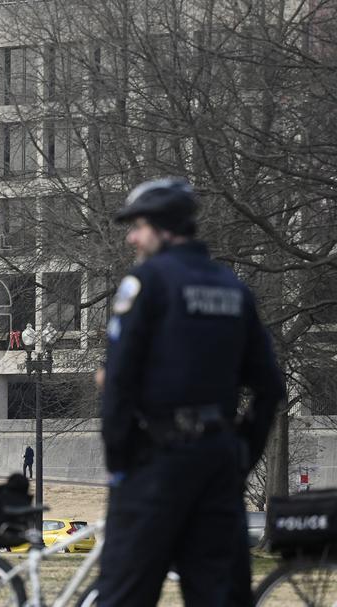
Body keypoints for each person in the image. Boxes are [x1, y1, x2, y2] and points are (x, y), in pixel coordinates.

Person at [97, 178, 285, 606]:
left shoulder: (147, 282)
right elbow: (270, 387)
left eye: (138, 227)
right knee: (220, 596)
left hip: (156, 464)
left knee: (124, 592)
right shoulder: (232, 287)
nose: (131, 238)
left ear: (163, 229)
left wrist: (120, 462)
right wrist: (240, 456)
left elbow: (119, 382)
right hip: (218, 465)